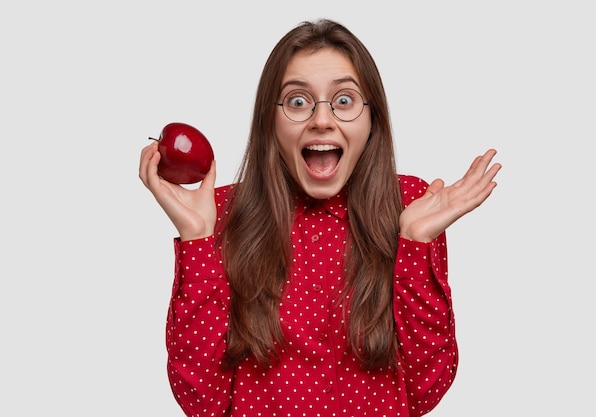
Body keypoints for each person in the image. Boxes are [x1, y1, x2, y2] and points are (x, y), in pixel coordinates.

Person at [139, 18, 501, 417]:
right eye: (297, 101)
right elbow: (200, 401)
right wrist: (197, 239)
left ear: (371, 118)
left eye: (344, 100)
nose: (322, 120)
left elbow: (425, 389)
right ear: (269, 122)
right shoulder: (221, 215)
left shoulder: (410, 206)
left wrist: (415, 241)